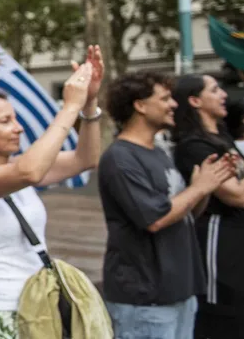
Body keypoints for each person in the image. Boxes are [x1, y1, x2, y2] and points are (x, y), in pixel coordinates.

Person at [0, 46, 104, 339]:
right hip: (3, 317)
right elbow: (30, 173)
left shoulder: (18, 166)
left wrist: (89, 103)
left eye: (16, 119)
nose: (18, 129)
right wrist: (69, 107)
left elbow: (85, 159)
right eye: (5, 121)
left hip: (40, 307)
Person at [98, 72, 235, 339]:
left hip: (180, 294)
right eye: (165, 98)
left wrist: (202, 190)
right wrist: (198, 188)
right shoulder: (120, 157)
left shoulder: (158, 153)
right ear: (140, 105)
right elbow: (154, 219)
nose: (174, 104)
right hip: (145, 301)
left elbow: (182, 213)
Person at [172, 74, 244, 338]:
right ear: (195, 100)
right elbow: (236, 195)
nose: (223, 94)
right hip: (219, 239)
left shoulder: (222, 138)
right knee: (223, 316)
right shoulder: (194, 146)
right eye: (214, 90)